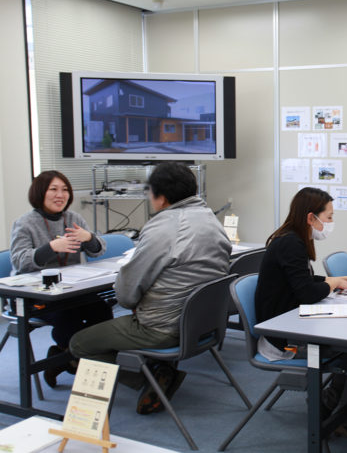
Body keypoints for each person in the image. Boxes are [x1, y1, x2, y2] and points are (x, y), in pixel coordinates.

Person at [70, 162, 231, 413]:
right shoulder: (210, 218)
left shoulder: (163, 227)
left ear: (162, 198)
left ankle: (149, 380)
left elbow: (125, 295)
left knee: (80, 343)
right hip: (201, 323)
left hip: (162, 327)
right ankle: (159, 372)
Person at [255, 187, 347, 443]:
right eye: (330, 217)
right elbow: (307, 293)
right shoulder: (290, 243)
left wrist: (339, 279)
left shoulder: (292, 238)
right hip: (283, 338)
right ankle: (346, 418)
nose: (331, 223)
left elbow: (301, 281)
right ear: (311, 217)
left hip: (293, 322)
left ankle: (328, 405)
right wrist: (334, 284)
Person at [10, 170, 112, 388]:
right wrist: (50, 248)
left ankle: (68, 358)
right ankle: (73, 359)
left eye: (65, 190)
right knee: (69, 318)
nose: (60, 195)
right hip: (38, 294)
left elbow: (98, 250)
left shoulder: (74, 218)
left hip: (73, 288)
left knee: (102, 310)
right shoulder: (25, 223)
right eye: (53, 189)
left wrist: (89, 238)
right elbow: (20, 261)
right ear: (40, 193)